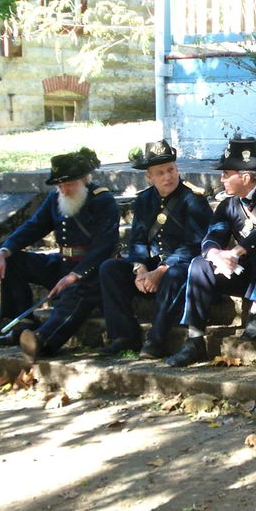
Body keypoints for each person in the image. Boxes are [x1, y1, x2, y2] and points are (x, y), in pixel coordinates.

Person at [165, 137, 256, 367]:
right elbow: (212, 236)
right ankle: (194, 339)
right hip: (247, 272)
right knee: (199, 263)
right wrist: (217, 254)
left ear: (245, 177)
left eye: (226, 173)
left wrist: (237, 250)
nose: (221, 178)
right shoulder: (228, 204)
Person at [0, 148, 120, 362]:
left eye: (69, 184)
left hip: (92, 271)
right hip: (62, 264)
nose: (64, 190)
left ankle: (42, 339)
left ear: (84, 179)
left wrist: (76, 274)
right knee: (13, 261)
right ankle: (22, 326)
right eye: (60, 185)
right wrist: (3, 252)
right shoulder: (54, 199)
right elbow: (33, 227)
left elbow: (104, 246)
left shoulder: (102, 200)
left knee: (77, 294)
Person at [98, 140, 212, 359]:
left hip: (181, 266)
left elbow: (195, 245)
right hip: (151, 265)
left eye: (171, 170)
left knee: (173, 274)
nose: (168, 177)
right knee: (109, 269)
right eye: (160, 173)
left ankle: (156, 340)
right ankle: (126, 336)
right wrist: (139, 269)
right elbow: (138, 239)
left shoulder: (193, 199)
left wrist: (161, 270)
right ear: (149, 177)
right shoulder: (144, 199)